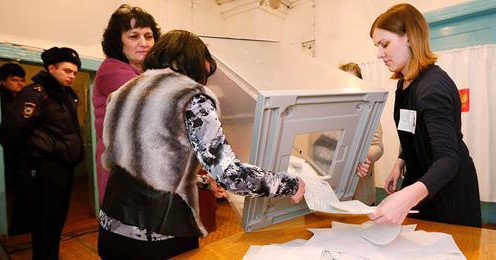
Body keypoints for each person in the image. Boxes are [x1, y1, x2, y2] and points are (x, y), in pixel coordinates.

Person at [97, 30, 305, 259]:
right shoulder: (191, 99)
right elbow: (232, 175)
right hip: (158, 237)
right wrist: (289, 184)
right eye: (204, 72)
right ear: (193, 64)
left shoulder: (124, 93)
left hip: (112, 229)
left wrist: (205, 181)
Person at [368, 3, 481, 227]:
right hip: (421, 179)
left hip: (447, 188)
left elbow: (448, 159)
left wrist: (407, 197)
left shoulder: (433, 87)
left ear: (410, 37)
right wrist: (400, 161)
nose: (379, 54)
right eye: (377, 46)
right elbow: (414, 130)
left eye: (385, 44)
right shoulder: (404, 84)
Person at [0, 47, 83, 259]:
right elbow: (9, 132)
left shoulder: (65, 95)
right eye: (67, 71)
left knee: (55, 223)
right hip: (46, 169)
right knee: (45, 225)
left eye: (74, 72)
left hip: (64, 168)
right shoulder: (36, 93)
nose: (72, 76)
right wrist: (38, 152)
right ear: (51, 68)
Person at [93, 4, 161, 204]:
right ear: (118, 42)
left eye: (148, 36)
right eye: (133, 36)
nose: (144, 43)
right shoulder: (112, 70)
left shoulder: (148, 71)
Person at [338, 62, 384, 206]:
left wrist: (359, 156)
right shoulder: (335, 111)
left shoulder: (369, 112)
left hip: (361, 194)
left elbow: (377, 147)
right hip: (336, 194)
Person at [0, 62, 27, 235]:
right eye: (14, 80)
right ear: (2, 81)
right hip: (7, 155)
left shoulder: (22, 99)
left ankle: (19, 227)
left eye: (22, 80)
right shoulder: (0, 102)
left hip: (20, 157)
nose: (20, 83)